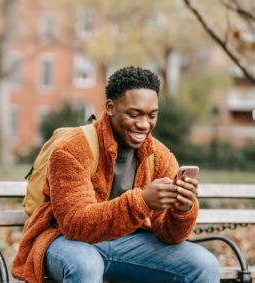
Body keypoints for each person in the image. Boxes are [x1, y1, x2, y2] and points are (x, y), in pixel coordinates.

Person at [12, 66, 220, 283]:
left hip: (127, 244)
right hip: (63, 241)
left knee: (204, 265)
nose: (144, 124)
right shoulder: (73, 147)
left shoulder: (160, 156)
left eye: (152, 115)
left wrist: (182, 209)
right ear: (111, 107)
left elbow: (169, 235)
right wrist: (141, 201)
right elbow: (75, 226)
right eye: (134, 114)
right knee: (86, 264)